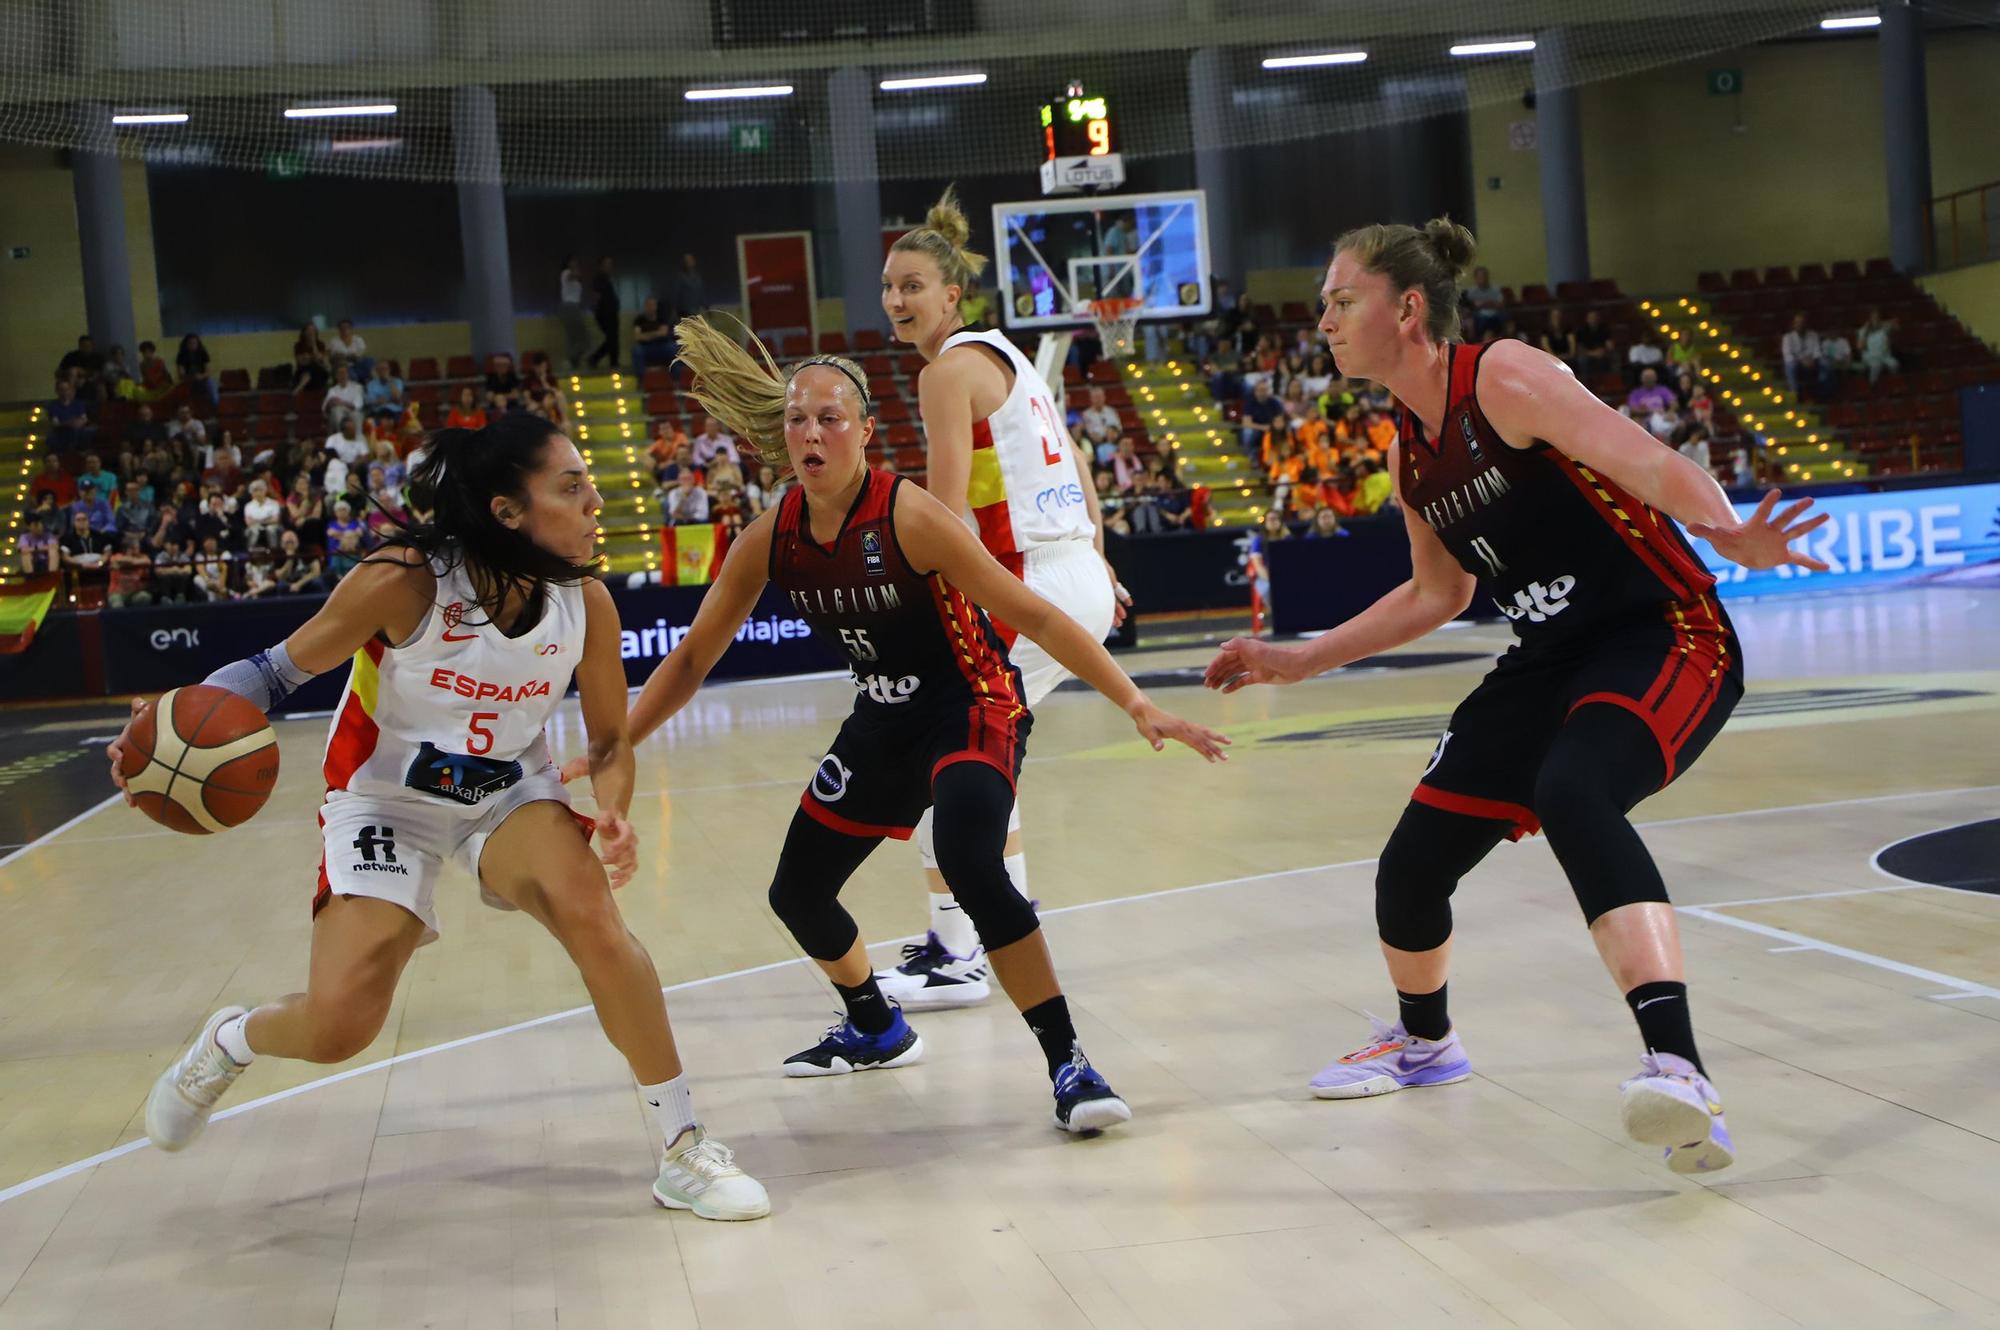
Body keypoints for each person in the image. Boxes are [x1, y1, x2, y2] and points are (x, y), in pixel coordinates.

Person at [1203, 218, 1830, 1176]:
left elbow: (1651, 461)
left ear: (1407, 308)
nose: (1321, 319)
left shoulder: (1501, 376)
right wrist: (1300, 660)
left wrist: (1729, 530)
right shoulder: (1410, 444)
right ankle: (1427, 1047)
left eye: (1341, 299)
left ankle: (1682, 1070)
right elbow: (1438, 594)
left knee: (1575, 791)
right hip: (1548, 657)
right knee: (1410, 871)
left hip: (1661, 632)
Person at [108, 414, 770, 1222]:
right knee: (339, 1026)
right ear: (506, 512)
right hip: (384, 797)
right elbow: (272, 674)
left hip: (505, 788)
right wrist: (163, 729)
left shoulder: (588, 603)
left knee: (593, 916)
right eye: (570, 486)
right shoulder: (406, 580)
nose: (595, 500)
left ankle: (683, 1146)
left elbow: (606, 739)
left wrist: (616, 809)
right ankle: (230, 1043)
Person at [596, 316, 1224, 1132]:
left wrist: (1134, 700)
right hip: (884, 717)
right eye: (797, 418)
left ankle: (1070, 1062)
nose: (811, 432)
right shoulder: (773, 535)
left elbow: (1032, 613)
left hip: (973, 703)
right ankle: (874, 1024)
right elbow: (687, 662)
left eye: (829, 417)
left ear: (862, 431)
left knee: (968, 855)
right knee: (798, 892)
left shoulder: (912, 515)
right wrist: (618, 740)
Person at [872, 188, 1135, 1008]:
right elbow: (1078, 466)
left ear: (952, 294)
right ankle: (981, 929)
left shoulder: (948, 373)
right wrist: (1099, 561)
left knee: (937, 749)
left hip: (1031, 581)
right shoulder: (1009, 356)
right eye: (888, 286)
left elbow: (946, 511)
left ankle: (965, 949)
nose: (896, 299)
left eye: (912, 285)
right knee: (976, 762)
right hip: (1071, 573)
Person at [558, 255, 592, 369]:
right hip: (569, 306)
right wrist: (576, 269)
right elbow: (574, 275)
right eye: (572, 262)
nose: (575, 264)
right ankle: (570, 360)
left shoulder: (576, 280)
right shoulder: (566, 273)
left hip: (575, 306)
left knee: (577, 337)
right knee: (578, 336)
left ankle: (573, 360)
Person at [588, 256, 621, 369]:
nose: (610, 266)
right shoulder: (599, 278)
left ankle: (613, 362)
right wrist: (596, 311)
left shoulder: (607, 278)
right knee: (612, 338)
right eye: (607, 264)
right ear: (601, 265)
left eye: (610, 264)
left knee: (613, 338)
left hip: (611, 312)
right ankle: (594, 358)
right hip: (605, 313)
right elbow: (595, 296)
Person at [632, 296, 674, 373]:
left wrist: (646, 335)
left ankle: (675, 380)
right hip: (645, 347)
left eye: (652, 305)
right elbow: (638, 337)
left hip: (662, 345)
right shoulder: (639, 320)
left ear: (656, 306)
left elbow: (663, 333)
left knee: (673, 348)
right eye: (648, 305)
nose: (650, 307)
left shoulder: (662, 318)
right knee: (637, 351)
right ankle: (642, 380)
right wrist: (656, 333)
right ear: (645, 306)